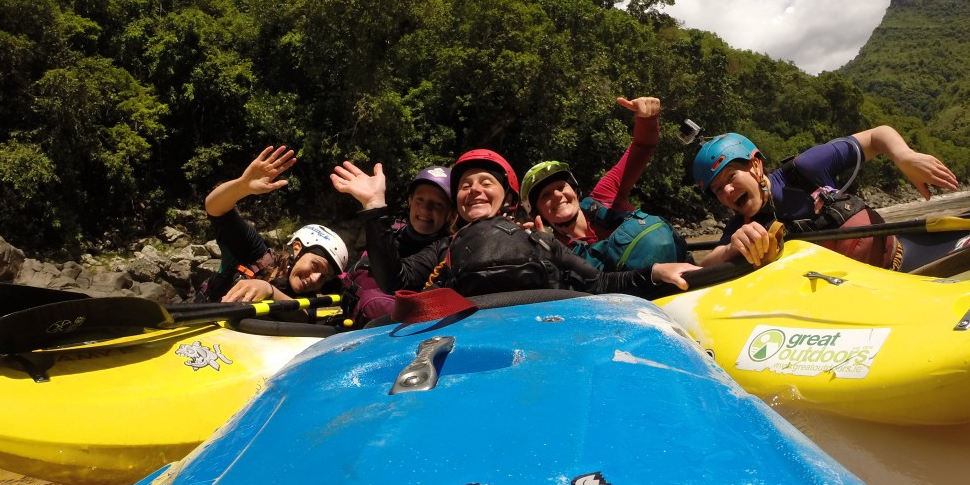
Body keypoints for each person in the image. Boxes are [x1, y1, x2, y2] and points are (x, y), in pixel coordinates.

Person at [331, 149, 699, 301]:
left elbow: (598, 283)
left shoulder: (537, 241)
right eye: (464, 185)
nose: (474, 189)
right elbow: (393, 280)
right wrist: (374, 207)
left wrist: (655, 273)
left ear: (507, 199)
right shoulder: (445, 249)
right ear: (457, 202)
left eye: (485, 183)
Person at [692, 127, 959, 269]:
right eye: (717, 189)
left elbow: (877, 136)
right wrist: (730, 249)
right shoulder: (740, 229)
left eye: (730, 177)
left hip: (903, 261)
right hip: (853, 298)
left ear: (756, 166)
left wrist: (905, 156)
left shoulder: (807, 169)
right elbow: (706, 265)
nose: (726, 191)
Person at [520, 97, 694, 271]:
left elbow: (642, 146)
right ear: (539, 214)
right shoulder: (550, 249)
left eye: (560, 187)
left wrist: (648, 119)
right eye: (546, 196)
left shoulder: (605, 193)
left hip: (684, 272)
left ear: (574, 190)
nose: (557, 195)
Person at [199, 145, 349, 303]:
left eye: (324, 277)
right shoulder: (254, 252)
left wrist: (270, 292)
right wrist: (242, 186)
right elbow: (215, 209)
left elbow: (305, 317)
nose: (315, 279)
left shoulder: (310, 297)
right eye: (315, 266)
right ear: (297, 248)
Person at [346, 165, 454, 325]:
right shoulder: (391, 233)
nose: (425, 209)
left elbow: (395, 281)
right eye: (420, 200)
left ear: (450, 213)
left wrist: (374, 206)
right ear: (410, 201)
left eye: (437, 204)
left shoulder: (444, 249)